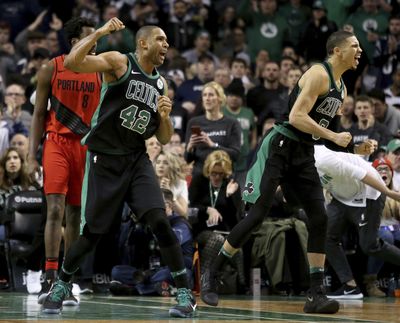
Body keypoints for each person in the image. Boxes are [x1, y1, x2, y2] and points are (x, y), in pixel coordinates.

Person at [201, 30, 374, 314]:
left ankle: (315, 294)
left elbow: (321, 133)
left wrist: (354, 148)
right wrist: (334, 136)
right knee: (257, 215)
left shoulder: (341, 88)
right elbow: (296, 117)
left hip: (304, 152)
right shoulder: (319, 74)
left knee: (319, 218)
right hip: (280, 145)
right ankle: (212, 272)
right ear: (337, 50)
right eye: (354, 46)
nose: (360, 50)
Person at [42, 20, 196, 318]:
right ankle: (61, 284)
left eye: (168, 41)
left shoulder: (161, 83)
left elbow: (162, 137)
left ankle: (184, 291)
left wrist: (164, 117)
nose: (167, 45)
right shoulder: (120, 61)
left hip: (137, 159)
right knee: (92, 234)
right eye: (161, 40)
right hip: (103, 158)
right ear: (144, 43)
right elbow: (74, 61)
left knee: (161, 221)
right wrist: (99, 33)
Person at [27, 17, 101, 305]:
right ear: (75, 43)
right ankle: (49, 273)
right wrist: (31, 156)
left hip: (84, 146)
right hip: (56, 142)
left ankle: (66, 281)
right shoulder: (53, 67)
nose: (96, 44)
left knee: (74, 215)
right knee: (55, 208)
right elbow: (37, 114)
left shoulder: (101, 71)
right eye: (90, 39)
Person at [313, 145, 400, 299]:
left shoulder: (322, 158)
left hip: (368, 192)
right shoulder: (298, 163)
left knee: (369, 245)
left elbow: (363, 174)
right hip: (341, 197)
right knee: (326, 237)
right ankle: (350, 286)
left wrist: (389, 193)